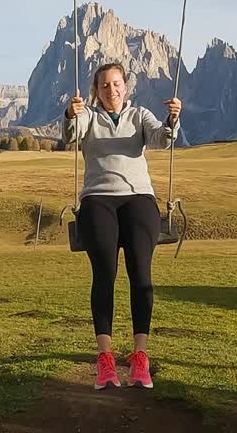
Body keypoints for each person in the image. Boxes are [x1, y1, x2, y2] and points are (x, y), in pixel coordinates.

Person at [63, 62, 181, 390]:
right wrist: (70, 115)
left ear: (125, 87)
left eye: (116, 84)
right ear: (95, 91)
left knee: (141, 274)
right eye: (104, 86)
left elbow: (161, 139)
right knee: (105, 275)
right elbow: (71, 135)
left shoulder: (139, 115)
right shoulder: (88, 115)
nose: (111, 90)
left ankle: (140, 356)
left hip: (138, 198)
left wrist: (172, 119)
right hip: (97, 199)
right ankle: (105, 359)